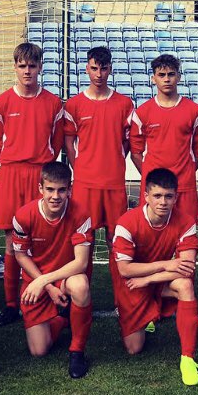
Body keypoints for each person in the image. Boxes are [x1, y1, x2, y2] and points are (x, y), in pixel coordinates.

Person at [0, 42, 65, 326]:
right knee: (12, 242)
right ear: (15, 68)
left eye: (32, 66)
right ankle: (11, 304)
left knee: (46, 239)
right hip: (10, 173)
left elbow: (57, 142)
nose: (27, 71)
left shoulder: (53, 103)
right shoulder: (2, 103)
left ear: (40, 68)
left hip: (39, 173)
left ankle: (54, 296)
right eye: (22, 66)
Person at [110, 167, 198, 386]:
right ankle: (148, 311)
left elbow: (186, 267)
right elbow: (125, 269)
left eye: (168, 196)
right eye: (157, 196)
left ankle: (187, 358)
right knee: (134, 348)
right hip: (133, 284)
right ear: (146, 196)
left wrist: (150, 279)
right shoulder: (127, 223)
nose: (163, 202)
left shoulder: (186, 221)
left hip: (153, 280)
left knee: (185, 285)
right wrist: (165, 265)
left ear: (176, 197)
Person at [11, 161, 94, 379]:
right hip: (38, 281)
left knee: (81, 285)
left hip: (65, 277)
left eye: (61, 190)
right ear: (40, 189)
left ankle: (76, 351)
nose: (55, 196)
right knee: (39, 351)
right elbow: (20, 255)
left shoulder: (81, 215)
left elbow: (81, 263)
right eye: (49, 189)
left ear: (70, 189)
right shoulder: (23, 215)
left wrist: (45, 281)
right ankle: (63, 318)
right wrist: (45, 285)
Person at [63, 46, 134, 274]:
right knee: (85, 241)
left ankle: (121, 303)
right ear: (87, 69)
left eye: (103, 69)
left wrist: (116, 158)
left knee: (117, 240)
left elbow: (128, 141)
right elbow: (68, 142)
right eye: (94, 68)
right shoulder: (74, 105)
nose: (99, 74)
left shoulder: (125, 104)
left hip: (114, 183)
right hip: (86, 184)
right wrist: (80, 168)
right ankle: (83, 301)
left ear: (110, 70)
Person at [130, 54, 198, 222]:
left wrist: (185, 172)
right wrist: (151, 177)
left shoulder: (195, 111)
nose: (166, 79)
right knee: (151, 234)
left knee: (185, 232)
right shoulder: (142, 112)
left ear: (178, 77)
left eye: (171, 74)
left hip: (184, 185)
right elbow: (135, 152)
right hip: (154, 187)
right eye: (161, 75)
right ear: (153, 79)